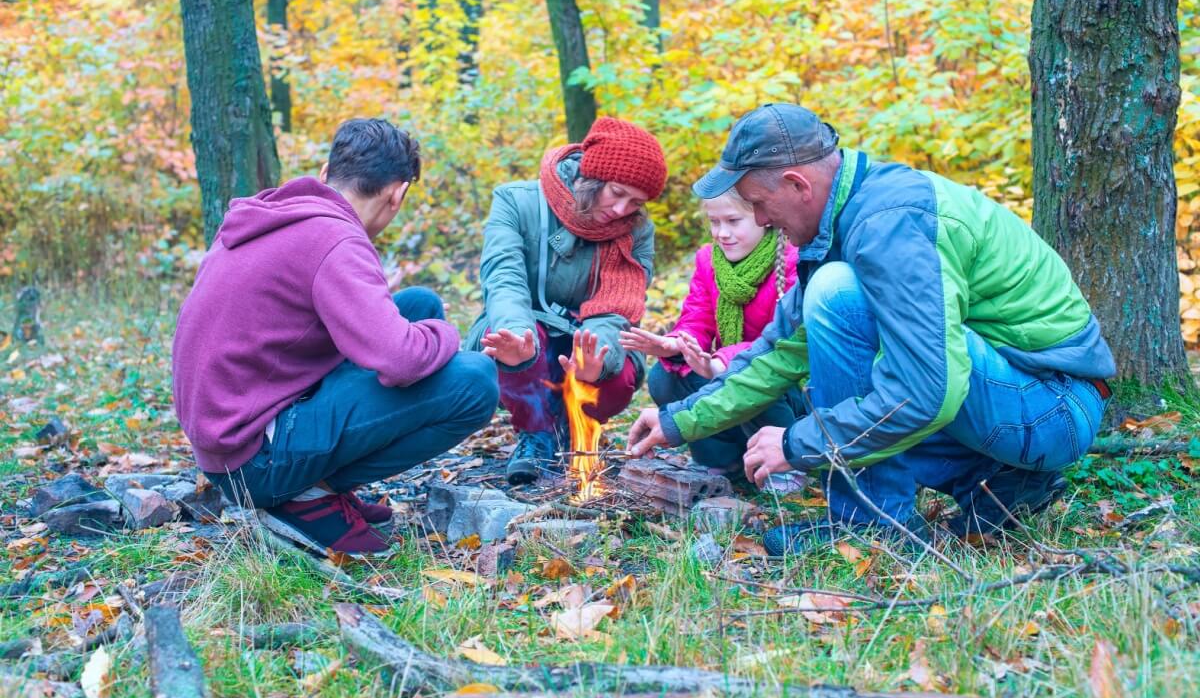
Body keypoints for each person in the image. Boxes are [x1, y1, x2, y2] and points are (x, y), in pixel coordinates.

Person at [628, 103, 1115, 556]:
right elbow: (780, 351)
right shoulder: (850, 218)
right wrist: (678, 420)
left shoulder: (888, 225)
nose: (760, 219)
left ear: (799, 185)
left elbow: (929, 391)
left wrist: (799, 444)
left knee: (840, 295)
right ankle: (995, 481)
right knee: (846, 326)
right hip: (1015, 395)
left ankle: (871, 524)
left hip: (1051, 405)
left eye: (759, 203)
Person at [173, 118, 498, 555]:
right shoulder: (335, 239)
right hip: (252, 461)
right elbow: (399, 358)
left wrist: (425, 331)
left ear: (327, 174)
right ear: (397, 194)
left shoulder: (279, 215)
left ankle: (314, 486)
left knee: (418, 305)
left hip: (231, 431)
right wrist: (448, 335)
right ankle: (307, 497)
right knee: (475, 381)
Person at [466, 117, 667, 485]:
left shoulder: (637, 232)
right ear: (591, 176)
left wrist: (595, 360)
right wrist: (517, 335)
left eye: (635, 202)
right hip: (528, 329)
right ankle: (536, 435)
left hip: (588, 335)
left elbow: (618, 308)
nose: (622, 210)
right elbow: (503, 277)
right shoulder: (516, 201)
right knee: (506, 340)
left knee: (616, 370)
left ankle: (574, 428)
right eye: (616, 192)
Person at [619, 188, 801, 482]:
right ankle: (723, 463)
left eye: (732, 221)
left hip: (784, 385)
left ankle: (780, 468)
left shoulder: (792, 259)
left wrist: (721, 363)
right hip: (728, 365)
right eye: (714, 222)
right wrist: (675, 344)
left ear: (763, 217)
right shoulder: (709, 261)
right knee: (665, 378)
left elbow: (779, 342)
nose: (722, 233)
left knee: (749, 378)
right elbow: (698, 317)